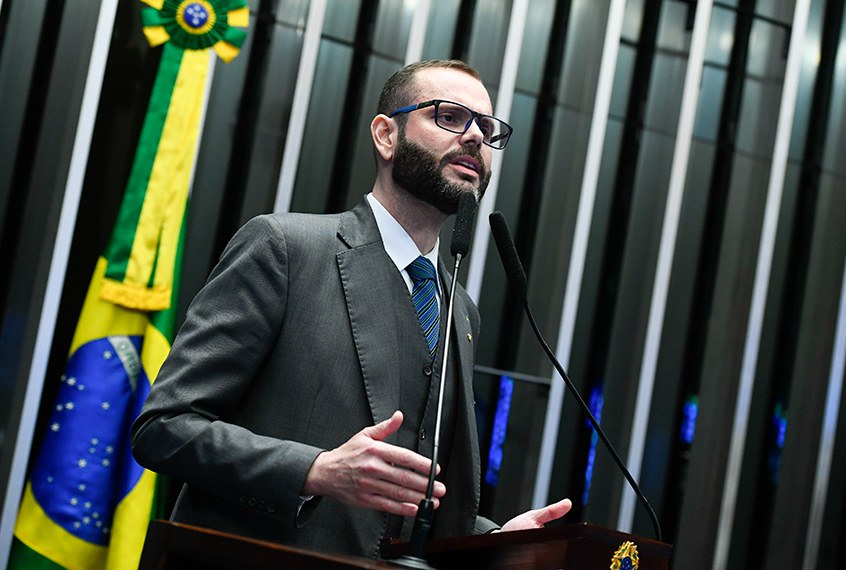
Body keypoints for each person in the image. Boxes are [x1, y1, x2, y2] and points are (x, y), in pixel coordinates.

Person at [131, 59, 571, 560]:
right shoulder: (285, 248)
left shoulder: (460, 311)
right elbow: (163, 428)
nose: (474, 137)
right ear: (386, 135)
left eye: (486, 128)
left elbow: (402, 500)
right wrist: (313, 471)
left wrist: (493, 540)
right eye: (449, 117)